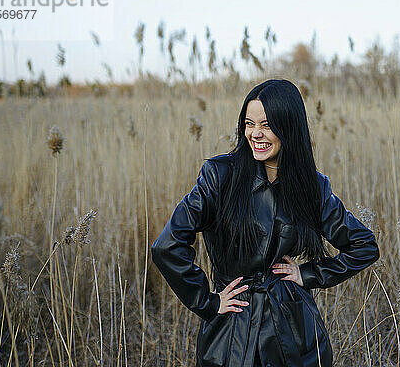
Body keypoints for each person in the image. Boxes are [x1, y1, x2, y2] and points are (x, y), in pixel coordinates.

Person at [151, 79, 379, 367]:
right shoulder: (219, 176)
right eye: (249, 123)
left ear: (289, 127)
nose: (255, 134)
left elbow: (364, 246)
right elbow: (166, 246)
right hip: (232, 329)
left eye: (267, 125)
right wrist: (208, 302)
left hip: (293, 329)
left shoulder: (312, 187)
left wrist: (307, 274)